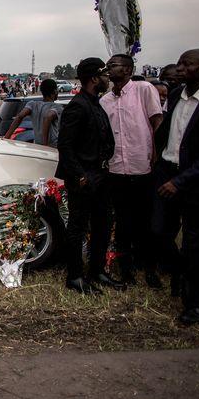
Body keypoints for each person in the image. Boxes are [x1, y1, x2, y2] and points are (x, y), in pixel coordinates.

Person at [56, 58, 121, 294]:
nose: (108, 77)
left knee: (103, 224)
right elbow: (65, 145)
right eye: (104, 73)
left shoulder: (95, 103)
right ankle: (74, 276)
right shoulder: (78, 105)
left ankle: (97, 271)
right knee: (78, 226)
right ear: (94, 78)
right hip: (84, 176)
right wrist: (80, 175)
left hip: (101, 173)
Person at [152, 49, 199, 325]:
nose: (181, 68)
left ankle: (194, 304)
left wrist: (180, 181)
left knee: (194, 244)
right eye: (180, 63)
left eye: (189, 64)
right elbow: (165, 133)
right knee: (159, 232)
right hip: (166, 172)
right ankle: (180, 275)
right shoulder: (175, 96)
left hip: (194, 182)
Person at [100, 54, 163, 287]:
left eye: (113, 65)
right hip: (117, 169)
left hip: (142, 166)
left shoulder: (143, 89)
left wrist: (156, 153)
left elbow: (157, 121)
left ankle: (150, 270)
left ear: (127, 69)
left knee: (145, 223)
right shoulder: (105, 101)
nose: (109, 68)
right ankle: (126, 270)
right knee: (124, 224)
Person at [4, 79, 59, 146]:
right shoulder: (57, 107)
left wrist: (6, 137)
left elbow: (19, 116)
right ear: (55, 91)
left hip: (37, 146)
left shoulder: (32, 104)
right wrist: (45, 145)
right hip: (53, 148)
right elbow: (48, 118)